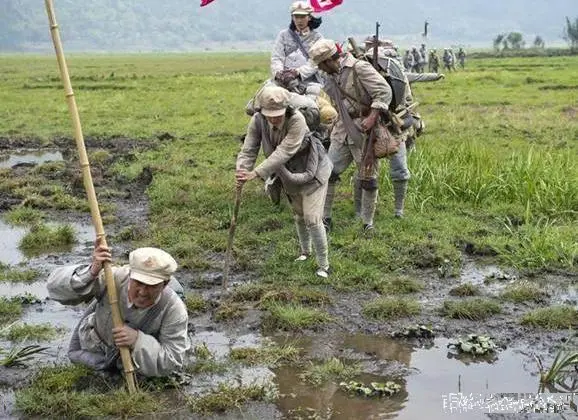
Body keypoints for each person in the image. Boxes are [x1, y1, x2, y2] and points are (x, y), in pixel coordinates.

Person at [309, 38, 411, 230]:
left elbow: (384, 91)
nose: (321, 69)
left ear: (331, 59)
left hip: (364, 130)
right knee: (328, 173)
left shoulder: (360, 68)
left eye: (322, 64)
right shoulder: (331, 76)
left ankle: (367, 223)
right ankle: (326, 219)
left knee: (368, 177)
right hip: (341, 131)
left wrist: (373, 116)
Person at [47, 241, 190, 377]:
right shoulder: (112, 278)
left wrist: (138, 341)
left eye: (152, 286)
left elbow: (173, 360)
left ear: (165, 285)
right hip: (94, 349)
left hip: (138, 366)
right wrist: (91, 273)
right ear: (130, 275)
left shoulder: (174, 309)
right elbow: (54, 289)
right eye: (138, 283)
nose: (142, 292)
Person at [236, 85, 332, 278]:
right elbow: (249, 148)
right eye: (269, 114)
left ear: (287, 109)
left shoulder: (297, 120)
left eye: (278, 114)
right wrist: (241, 170)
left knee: (313, 219)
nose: (274, 118)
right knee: (298, 215)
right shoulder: (258, 120)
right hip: (287, 173)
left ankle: (324, 265)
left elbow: (284, 151)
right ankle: (305, 253)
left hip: (312, 170)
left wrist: (256, 172)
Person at [270, 1, 324, 95]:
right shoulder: (283, 35)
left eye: (303, 17)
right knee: (265, 96)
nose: (299, 20)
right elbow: (277, 57)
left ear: (309, 17)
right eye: (296, 17)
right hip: (283, 80)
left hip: (308, 82)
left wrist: (297, 73)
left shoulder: (317, 38)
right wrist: (279, 73)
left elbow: (315, 62)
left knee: (317, 98)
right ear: (292, 17)